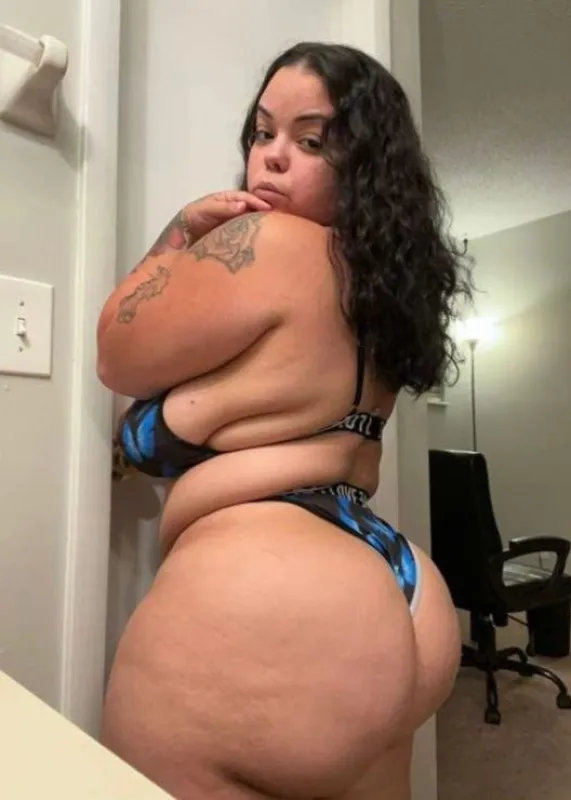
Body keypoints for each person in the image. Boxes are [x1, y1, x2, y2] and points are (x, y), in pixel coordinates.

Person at [97, 42, 470, 800]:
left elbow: (115, 352)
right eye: (262, 133)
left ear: (363, 165)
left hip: (268, 596)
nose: (270, 158)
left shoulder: (264, 243)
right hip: (403, 592)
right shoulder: (384, 291)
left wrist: (181, 228)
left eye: (310, 141)